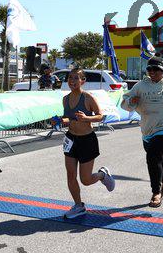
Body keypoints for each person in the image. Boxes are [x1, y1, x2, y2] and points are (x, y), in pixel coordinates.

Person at [121, 56, 163, 208]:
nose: (152, 72)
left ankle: (156, 192)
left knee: (152, 155)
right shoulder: (140, 86)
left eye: (156, 69)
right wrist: (131, 101)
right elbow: (124, 104)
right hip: (147, 129)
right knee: (157, 157)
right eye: (149, 69)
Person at [59, 68, 115, 219]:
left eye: (76, 78)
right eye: (70, 78)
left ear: (82, 81)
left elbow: (100, 116)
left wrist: (86, 118)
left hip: (87, 140)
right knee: (71, 175)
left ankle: (102, 175)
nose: (72, 81)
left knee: (86, 180)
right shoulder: (65, 99)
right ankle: (78, 206)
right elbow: (69, 118)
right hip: (71, 139)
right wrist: (59, 120)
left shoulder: (88, 98)